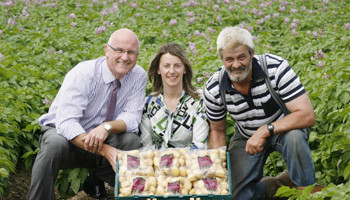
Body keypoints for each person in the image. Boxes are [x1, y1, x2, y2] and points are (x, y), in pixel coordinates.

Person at [28, 28, 147, 200]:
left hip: (102, 138)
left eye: (131, 52)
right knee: (54, 144)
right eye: (119, 50)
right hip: (67, 140)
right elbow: (66, 123)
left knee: (131, 141)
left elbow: (132, 118)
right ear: (107, 50)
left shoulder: (138, 76)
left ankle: (102, 182)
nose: (125, 57)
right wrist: (106, 151)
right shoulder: (84, 73)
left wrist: (106, 127)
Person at [204, 26, 316, 200]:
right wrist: (217, 170)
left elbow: (307, 115)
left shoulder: (275, 68)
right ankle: (276, 185)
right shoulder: (214, 88)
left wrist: (265, 130)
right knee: (235, 194)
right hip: (246, 136)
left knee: (295, 137)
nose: (236, 64)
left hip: (283, 129)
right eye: (229, 59)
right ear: (222, 58)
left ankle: (306, 191)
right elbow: (217, 131)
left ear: (252, 53)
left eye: (242, 57)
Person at [139, 42, 209, 150]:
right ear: (158, 69)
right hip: (156, 164)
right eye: (166, 66)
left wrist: (171, 158)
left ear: (184, 69)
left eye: (177, 66)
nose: (172, 71)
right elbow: (146, 147)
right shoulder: (148, 104)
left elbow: (200, 147)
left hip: (191, 163)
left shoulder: (198, 101)